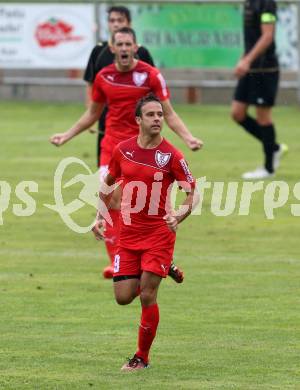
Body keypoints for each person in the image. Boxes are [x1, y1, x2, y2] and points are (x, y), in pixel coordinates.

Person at [50, 27, 203, 279]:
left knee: (137, 204)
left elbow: (169, 112)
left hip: (144, 150)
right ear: (112, 48)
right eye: (118, 44)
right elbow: (92, 113)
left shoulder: (150, 75)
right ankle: (118, 262)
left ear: (135, 47)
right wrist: (67, 135)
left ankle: (156, 256)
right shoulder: (103, 77)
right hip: (112, 148)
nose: (123, 49)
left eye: (127, 44)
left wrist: (188, 137)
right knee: (112, 200)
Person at [92, 94, 199, 370]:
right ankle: (165, 268)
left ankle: (142, 357)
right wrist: (99, 216)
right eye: (151, 115)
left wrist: (179, 215)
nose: (157, 119)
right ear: (138, 120)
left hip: (159, 234)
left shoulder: (172, 155)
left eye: (160, 115)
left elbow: (193, 194)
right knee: (123, 297)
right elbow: (107, 183)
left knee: (149, 295)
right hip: (128, 235)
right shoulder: (122, 150)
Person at [83, 5, 154, 167]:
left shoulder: (142, 53)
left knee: (138, 171)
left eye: (120, 20)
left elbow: (153, 89)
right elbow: (91, 84)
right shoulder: (99, 51)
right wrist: (90, 116)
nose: (115, 24)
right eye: (112, 20)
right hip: (107, 120)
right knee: (107, 170)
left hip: (136, 122)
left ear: (129, 23)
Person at [231, 0, 287, 180]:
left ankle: (268, 168)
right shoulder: (249, 3)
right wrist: (243, 59)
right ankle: (274, 148)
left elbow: (267, 36)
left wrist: (246, 61)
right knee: (237, 113)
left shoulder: (267, 4)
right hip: (250, 69)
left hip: (265, 70)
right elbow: (251, 39)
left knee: (263, 117)